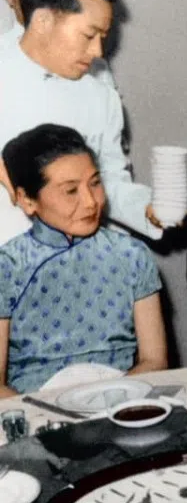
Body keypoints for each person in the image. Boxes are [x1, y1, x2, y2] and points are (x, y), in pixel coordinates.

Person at [0, 0, 163, 245]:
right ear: (43, 21)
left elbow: (109, 178)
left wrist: (148, 208)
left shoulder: (99, 94)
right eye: (89, 35)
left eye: (103, 36)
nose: (98, 52)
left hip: (75, 259)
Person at [0, 124, 167, 396]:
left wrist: (107, 402)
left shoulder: (131, 255)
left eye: (95, 183)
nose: (91, 202)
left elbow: (155, 361)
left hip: (121, 400)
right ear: (27, 200)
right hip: (35, 411)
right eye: (70, 191)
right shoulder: (8, 266)